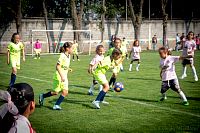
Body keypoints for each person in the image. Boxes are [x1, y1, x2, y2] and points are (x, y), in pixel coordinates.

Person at [39, 42, 73, 110]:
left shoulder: (69, 56)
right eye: (72, 48)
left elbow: (63, 66)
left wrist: (68, 69)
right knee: (56, 92)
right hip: (59, 76)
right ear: (67, 49)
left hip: (64, 76)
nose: (73, 50)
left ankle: (56, 105)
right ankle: (42, 96)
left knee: (65, 92)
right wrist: (62, 76)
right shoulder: (62, 55)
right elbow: (57, 66)